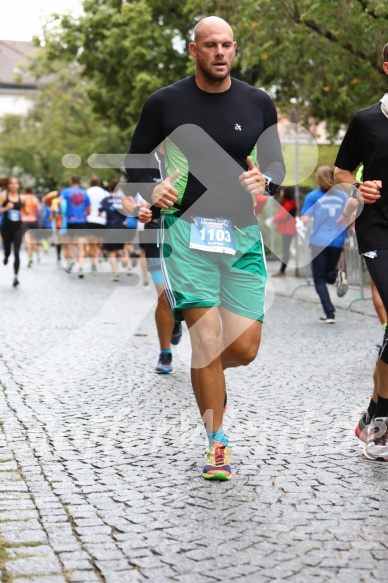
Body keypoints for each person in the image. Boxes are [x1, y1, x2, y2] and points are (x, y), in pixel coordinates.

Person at [125, 16, 285, 480]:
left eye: (227, 45)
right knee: (208, 339)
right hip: (184, 231)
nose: (220, 52)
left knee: (244, 348)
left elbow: (274, 164)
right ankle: (217, 442)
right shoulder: (165, 102)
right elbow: (136, 161)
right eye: (210, 45)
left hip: (240, 233)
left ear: (235, 50)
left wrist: (267, 180)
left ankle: (208, 375)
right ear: (194, 50)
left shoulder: (258, 102)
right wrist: (151, 190)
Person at [334, 42, 388, 461]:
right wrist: (357, 187)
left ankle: (374, 414)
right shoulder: (367, 120)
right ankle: (382, 423)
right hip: (378, 229)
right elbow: (340, 171)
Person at [300, 166, 349, 323]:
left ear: (318, 179)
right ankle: (337, 276)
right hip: (337, 240)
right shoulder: (343, 197)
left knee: (319, 278)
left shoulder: (313, 196)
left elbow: (305, 219)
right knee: (328, 273)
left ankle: (330, 312)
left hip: (319, 241)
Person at [60, 175, 91, 278]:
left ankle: (72, 258)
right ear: (80, 182)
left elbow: (58, 202)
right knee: (81, 246)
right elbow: (88, 210)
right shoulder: (84, 193)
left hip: (71, 221)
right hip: (82, 221)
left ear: (71, 181)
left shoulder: (65, 191)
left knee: (70, 243)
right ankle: (81, 267)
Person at [0, 177, 26, 287]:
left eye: (16, 183)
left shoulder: (22, 198)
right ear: (8, 185)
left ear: (19, 185)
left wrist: (27, 211)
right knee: (8, 250)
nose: (14, 185)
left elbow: (24, 210)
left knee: (16, 252)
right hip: (6, 227)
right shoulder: (3, 197)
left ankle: (15, 276)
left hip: (18, 228)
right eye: (11, 183)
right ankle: (6, 255)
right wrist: (5, 208)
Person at [271, 187, 297, 276]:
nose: (281, 192)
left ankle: (282, 270)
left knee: (285, 250)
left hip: (287, 230)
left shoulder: (288, 204)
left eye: (282, 191)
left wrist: (272, 219)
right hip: (288, 229)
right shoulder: (290, 203)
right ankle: (282, 269)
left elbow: (282, 215)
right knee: (285, 250)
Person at [86, 176, 108, 273]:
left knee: (90, 244)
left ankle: (93, 264)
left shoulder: (87, 192)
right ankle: (101, 249)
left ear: (90, 183)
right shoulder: (104, 192)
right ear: (99, 183)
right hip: (102, 220)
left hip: (90, 219)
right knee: (100, 241)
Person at [21, 186, 41, 267]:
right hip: (33, 220)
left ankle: (29, 257)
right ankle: (38, 255)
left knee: (27, 240)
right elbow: (40, 209)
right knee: (34, 240)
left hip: (24, 220)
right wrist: (39, 220)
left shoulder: (22, 198)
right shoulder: (34, 198)